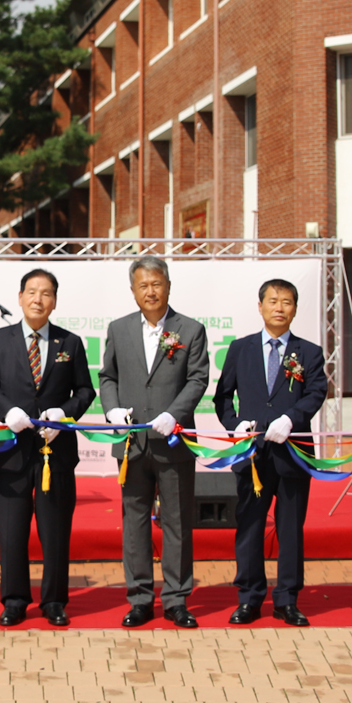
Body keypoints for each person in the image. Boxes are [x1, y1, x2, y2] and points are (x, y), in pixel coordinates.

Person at [0, 268, 94, 626]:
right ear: (20, 297)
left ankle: (54, 600)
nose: (38, 299)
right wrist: (6, 410)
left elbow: (86, 390)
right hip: (11, 452)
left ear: (54, 301)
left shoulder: (69, 342)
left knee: (55, 531)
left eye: (46, 293)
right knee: (12, 532)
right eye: (31, 292)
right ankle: (14, 600)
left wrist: (64, 414)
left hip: (54, 452)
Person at [100, 256, 211, 628]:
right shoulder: (119, 329)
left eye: (156, 283)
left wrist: (174, 414)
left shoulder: (190, 329)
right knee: (134, 522)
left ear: (168, 286)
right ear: (133, 291)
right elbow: (107, 377)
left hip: (173, 442)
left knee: (177, 521)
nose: (150, 291)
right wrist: (112, 410)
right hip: (132, 444)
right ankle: (140, 599)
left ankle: (177, 599)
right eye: (143, 285)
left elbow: (197, 379)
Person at [214, 278, 328, 626]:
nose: (279, 308)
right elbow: (223, 397)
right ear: (260, 306)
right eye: (273, 301)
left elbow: (316, 393)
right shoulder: (240, 349)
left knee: (290, 528)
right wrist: (234, 425)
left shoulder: (309, 352)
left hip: (293, 452)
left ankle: (288, 599)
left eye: (287, 302)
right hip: (251, 455)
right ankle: (249, 598)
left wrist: (291, 419)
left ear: (295, 309)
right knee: (250, 525)